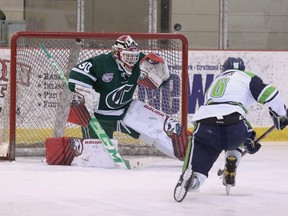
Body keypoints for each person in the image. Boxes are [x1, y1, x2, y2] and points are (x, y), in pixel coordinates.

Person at [174, 57, 288, 201]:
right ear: (242, 69)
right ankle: (232, 159)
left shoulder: (215, 83)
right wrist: (281, 115)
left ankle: (194, 179)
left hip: (206, 126)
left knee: (204, 151)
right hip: (234, 126)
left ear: (224, 69)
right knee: (243, 134)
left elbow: (216, 111)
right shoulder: (247, 77)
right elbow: (272, 93)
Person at [67, 35, 189, 161]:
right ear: (117, 53)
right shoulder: (101, 62)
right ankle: (72, 149)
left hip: (127, 111)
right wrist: (83, 91)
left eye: (134, 56)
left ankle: (192, 152)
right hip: (99, 118)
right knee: (97, 160)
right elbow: (77, 75)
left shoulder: (140, 61)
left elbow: (161, 80)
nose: (132, 61)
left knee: (166, 128)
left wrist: (162, 75)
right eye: (128, 56)